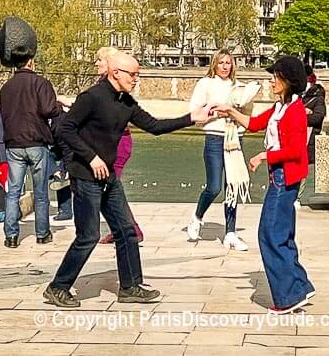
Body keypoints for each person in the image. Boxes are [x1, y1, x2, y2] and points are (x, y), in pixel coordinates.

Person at [45, 51, 214, 308]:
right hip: (85, 176)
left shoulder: (126, 102)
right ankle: (58, 287)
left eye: (138, 74)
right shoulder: (91, 97)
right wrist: (91, 157)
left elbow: (155, 127)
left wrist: (191, 118)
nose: (137, 79)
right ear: (115, 73)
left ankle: (131, 286)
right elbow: (65, 129)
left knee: (126, 231)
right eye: (133, 74)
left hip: (109, 178)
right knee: (88, 236)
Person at [216, 56, 315, 314]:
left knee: (269, 234)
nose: (272, 80)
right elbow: (254, 124)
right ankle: (299, 285)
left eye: (276, 76)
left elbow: (294, 150)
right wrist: (229, 111)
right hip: (279, 177)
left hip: (285, 179)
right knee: (282, 234)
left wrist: (263, 156)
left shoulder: (294, 111)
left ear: (289, 81)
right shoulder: (280, 107)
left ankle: (288, 297)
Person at [186, 49, 249, 251]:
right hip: (214, 137)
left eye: (228, 63)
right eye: (221, 62)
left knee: (232, 186)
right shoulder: (206, 84)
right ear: (214, 64)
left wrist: (237, 110)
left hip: (234, 138)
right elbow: (194, 112)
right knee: (214, 187)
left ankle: (230, 232)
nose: (224, 66)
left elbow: (247, 114)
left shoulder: (238, 86)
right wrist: (216, 113)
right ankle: (197, 216)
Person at [0, 47, 62, 249]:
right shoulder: (40, 83)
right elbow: (49, 110)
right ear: (30, 62)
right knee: (41, 191)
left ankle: (11, 235)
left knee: (13, 192)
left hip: (13, 143)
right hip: (36, 142)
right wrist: (59, 105)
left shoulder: (6, 87)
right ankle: (42, 233)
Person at [93, 47, 144, 244]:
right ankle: (124, 228)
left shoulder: (117, 90)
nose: (97, 63)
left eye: (99, 60)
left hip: (118, 144)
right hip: (112, 143)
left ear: (111, 66)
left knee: (110, 189)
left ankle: (129, 229)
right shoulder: (104, 86)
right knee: (110, 189)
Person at [296, 64, 326, 207]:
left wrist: (300, 115)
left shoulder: (317, 96)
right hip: (293, 135)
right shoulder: (295, 94)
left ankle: (297, 198)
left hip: (307, 138)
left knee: (301, 167)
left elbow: (318, 117)